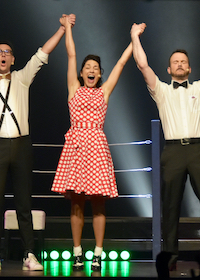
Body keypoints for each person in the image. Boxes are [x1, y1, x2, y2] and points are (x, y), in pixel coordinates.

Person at [0, 14, 71, 271]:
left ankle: (29, 254)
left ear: (12, 59)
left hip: (21, 146)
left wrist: (62, 28)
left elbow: (42, 53)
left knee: (24, 202)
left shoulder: (22, 78)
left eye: (7, 52)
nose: (3, 55)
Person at [130, 20, 200, 272]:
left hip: (198, 150)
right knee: (171, 206)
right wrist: (135, 37)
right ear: (168, 69)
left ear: (189, 67)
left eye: (183, 61)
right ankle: (171, 257)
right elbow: (142, 64)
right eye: (175, 61)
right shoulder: (162, 91)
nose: (179, 64)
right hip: (173, 151)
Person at [50, 14, 133, 272]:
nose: (92, 70)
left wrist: (134, 39)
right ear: (82, 72)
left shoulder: (104, 92)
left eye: (96, 68)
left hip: (96, 145)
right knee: (76, 203)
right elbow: (71, 55)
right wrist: (67, 29)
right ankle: (77, 252)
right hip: (75, 145)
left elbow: (120, 63)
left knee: (98, 203)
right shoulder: (73, 88)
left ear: (99, 74)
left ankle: (97, 253)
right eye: (88, 67)